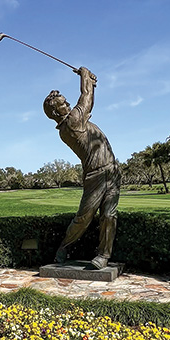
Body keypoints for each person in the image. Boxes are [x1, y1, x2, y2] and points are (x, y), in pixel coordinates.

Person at [43, 67, 121, 269]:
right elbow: (86, 96)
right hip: (96, 175)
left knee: (109, 216)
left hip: (112, 171)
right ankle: (63, 248)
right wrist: (85, 74)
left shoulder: (76, 120)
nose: (68, 104)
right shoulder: (71, 123)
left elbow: (89, 95)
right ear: (55, 112)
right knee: (83, 218)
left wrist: (91, 83)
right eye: (63, 104)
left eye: (67, 102)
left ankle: (103, 255)